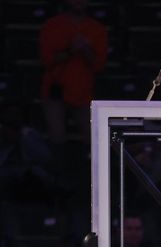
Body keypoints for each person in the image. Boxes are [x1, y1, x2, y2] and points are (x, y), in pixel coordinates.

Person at [39, 0, 108, 144]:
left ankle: (90, 165)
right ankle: (59, 166)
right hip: (55, 90)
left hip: (82, 92)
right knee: (57, 138)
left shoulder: (96, 29)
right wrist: (72, 50)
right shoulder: (52, 25)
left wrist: (85, 49)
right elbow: (46, 60)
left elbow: (99, 65)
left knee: (94, 137)